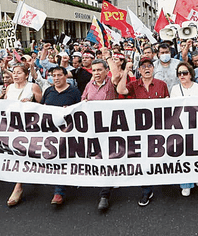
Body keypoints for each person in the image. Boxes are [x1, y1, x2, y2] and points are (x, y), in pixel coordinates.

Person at [117, 57, 169, 207]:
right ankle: (147, 190)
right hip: (140, 129)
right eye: (143, 67)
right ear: (139, 71)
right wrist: (126, 72)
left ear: (153, 69)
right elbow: (120, 90)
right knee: (144, 159)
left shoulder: (162, 84)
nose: (147, 68)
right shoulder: (133, 85)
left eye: (149, 66)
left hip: (159, 127)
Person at [81, 59, 119, 210]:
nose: (96, 73)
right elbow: (83, 101)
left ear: (105, 71)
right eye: (94, 70)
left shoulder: (111, 82)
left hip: (109, 127)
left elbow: (116, 73)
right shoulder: (89, 85)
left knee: (106, 158)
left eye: (99, 70)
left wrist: (107, 56)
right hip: (92, 128)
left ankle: (104, 195)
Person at [4, 63, 43, 207]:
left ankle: (18, 186)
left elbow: (43, 105)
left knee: (25, 152)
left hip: (29, 126)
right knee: (16, 153)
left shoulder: (33, 87)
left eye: (19, 72)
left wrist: (30, 103)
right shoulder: (9, 88)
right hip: (11, 125)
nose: (15, 75)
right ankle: (20, 182)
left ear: (26, 75)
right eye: (14, 72)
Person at [42, 66, 81, 206]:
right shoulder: (48, 91)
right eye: (54, 75)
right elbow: (41, 108)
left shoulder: (74, 92)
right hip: (50, 132)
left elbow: (80, 111)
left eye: (59, 75)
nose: (56, 78)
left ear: (66, 77)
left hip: (67, 132)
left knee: (62, 159)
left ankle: (59, 192)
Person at [169, 62, 198, 196]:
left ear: (191, 74)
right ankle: (186, 183)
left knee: (197, 153)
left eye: (185, 73)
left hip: (196, 126)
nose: (182, 75)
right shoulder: (175, 89)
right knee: (184, 156)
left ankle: (197, 176)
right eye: (179, 73)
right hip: (181, 127)